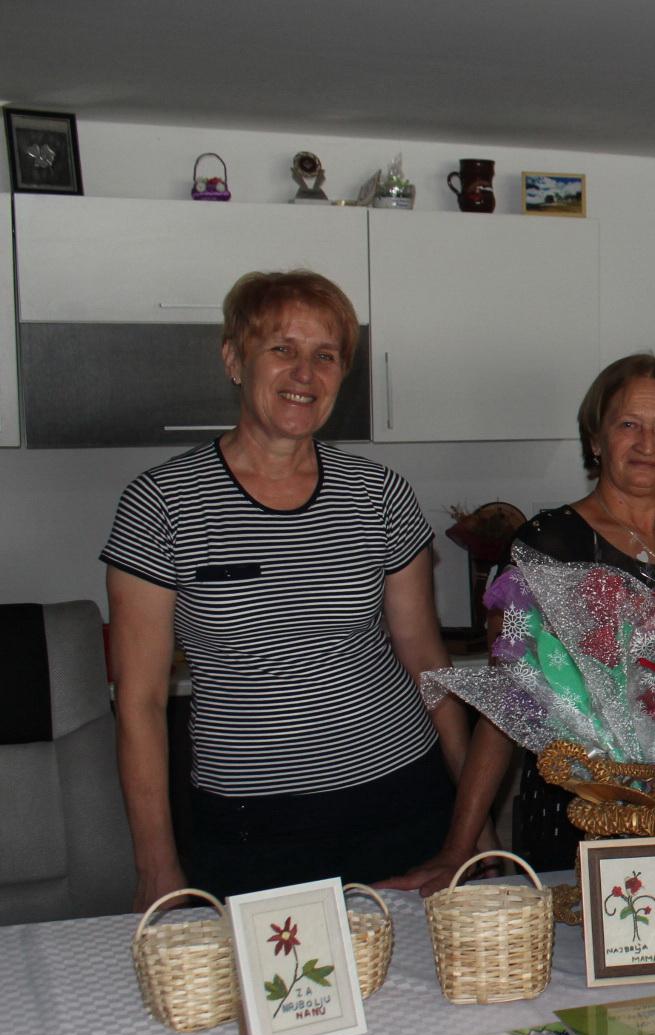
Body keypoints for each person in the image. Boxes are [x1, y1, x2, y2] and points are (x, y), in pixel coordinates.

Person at [102, 269, 471, 907]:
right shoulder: (160, 505)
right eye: (283, 349)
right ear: (234, 361)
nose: (305, 373)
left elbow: (425, 660)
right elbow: (138, 703)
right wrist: (155, 864)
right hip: (252, 829)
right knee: (276, 1000)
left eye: (325, 356)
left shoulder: (379, 494)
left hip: (403, 803)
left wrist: (471, 819)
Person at [390, 354, 655, 893]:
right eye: (628, 424)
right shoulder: (547, 543)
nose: (646, 443)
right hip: (574, 815)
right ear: (595, 439)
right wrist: (459, 845)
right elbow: (509, 700)